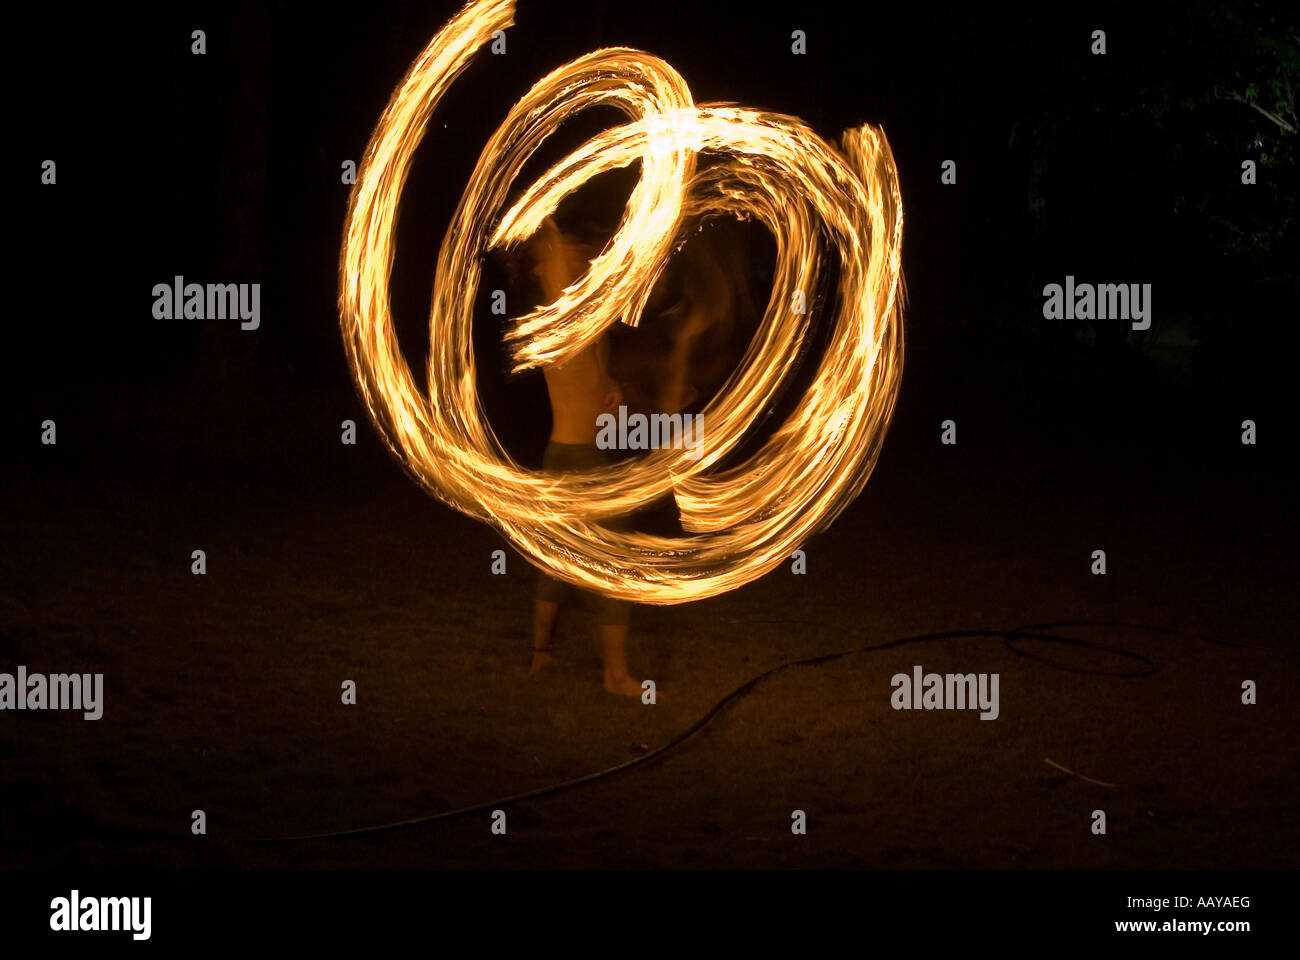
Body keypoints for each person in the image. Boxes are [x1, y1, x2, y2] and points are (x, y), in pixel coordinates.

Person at [524, 217, 643, 696]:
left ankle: (540, 658)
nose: (575, 255)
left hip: (581, 456)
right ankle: (614, 676)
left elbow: (598, 378)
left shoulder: (587, 321)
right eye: (563, 253)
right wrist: (546, 216)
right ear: (542, 269)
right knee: (611, 564)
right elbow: (549, 249)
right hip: (577, 461)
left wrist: (612, 389)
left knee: (559, 560)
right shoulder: (557, 315)